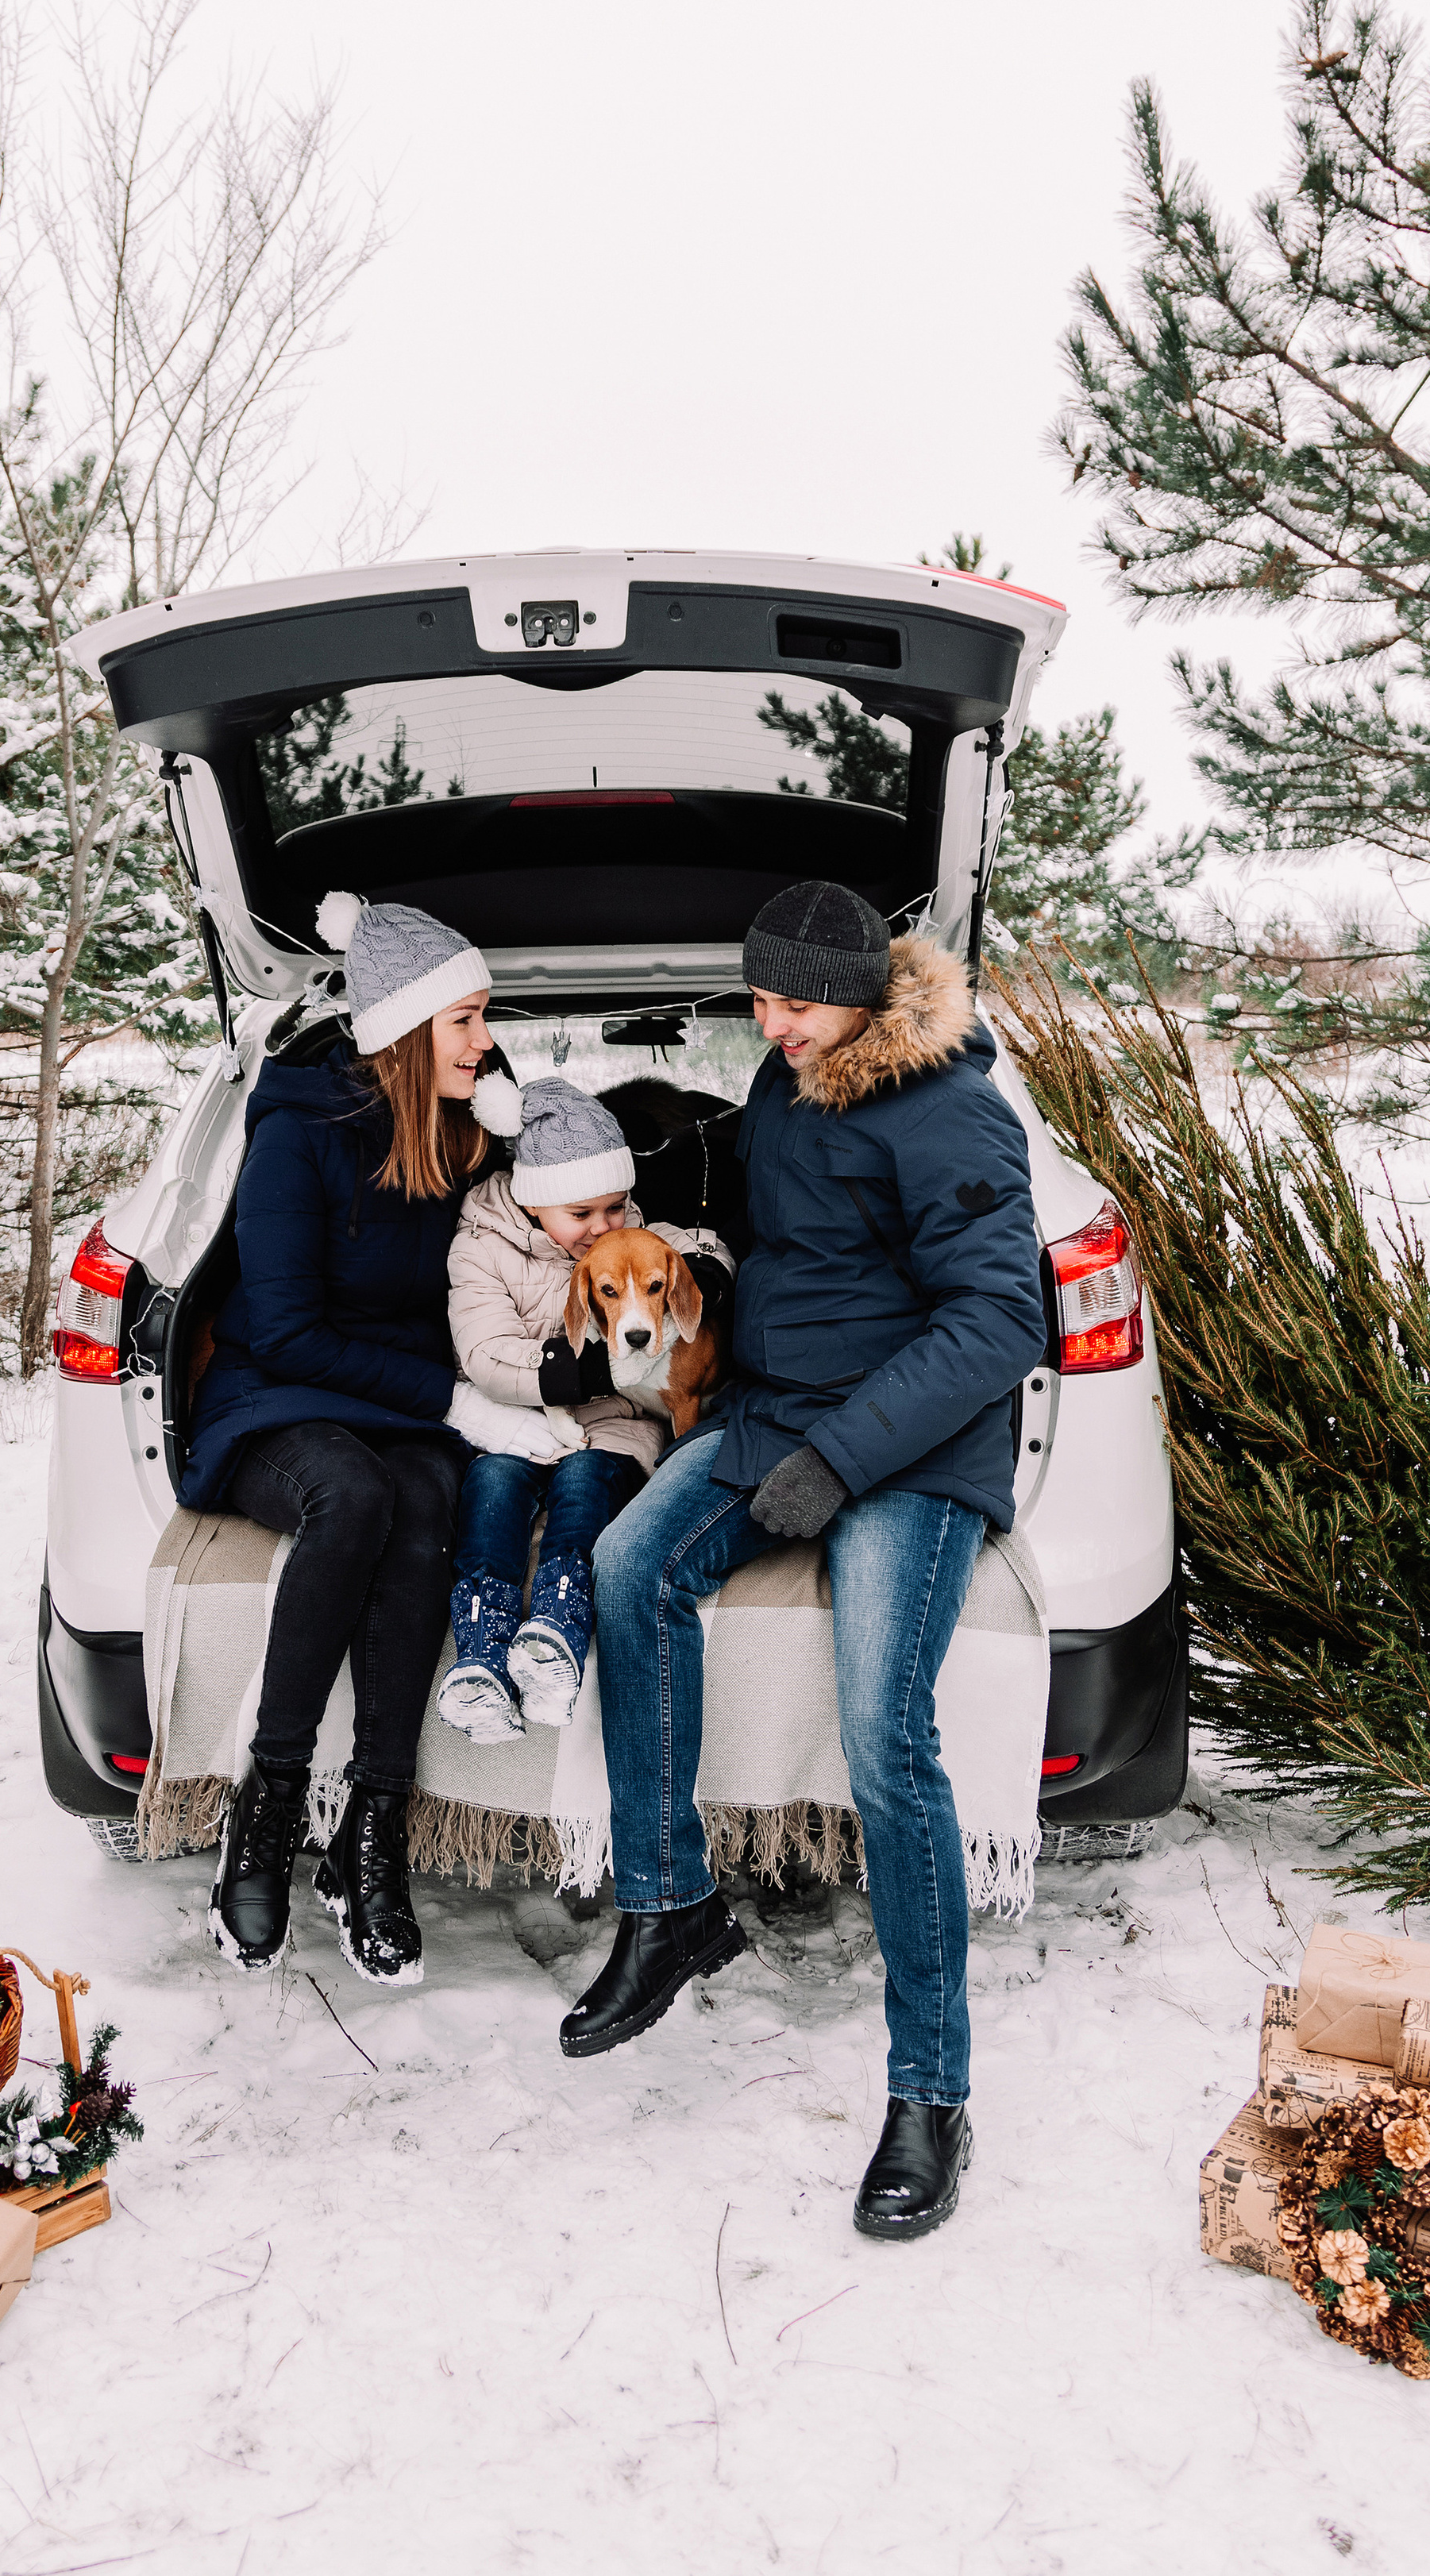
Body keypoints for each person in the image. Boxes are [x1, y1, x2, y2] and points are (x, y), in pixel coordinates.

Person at [565, 880, 1047, 2242]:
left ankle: (931, 2089)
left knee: (885, 1733)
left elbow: (1000, 1319)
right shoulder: (788, 1083)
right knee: (624, 1569)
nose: (765, 1020)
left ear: (860, 992)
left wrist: (840, 1461)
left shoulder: (952, 1108)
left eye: (789, 998)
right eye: (758, 996)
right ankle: (672, 1907)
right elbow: (784, 1235)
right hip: (774, 1414)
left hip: (910, 1445)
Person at [180, 889, 569, 1988]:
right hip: (278, 1393)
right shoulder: (295, 1138)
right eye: (467, 1019)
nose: (485, 1039)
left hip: (411, 1398)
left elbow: (554, 1231)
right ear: (404, 1029)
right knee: (351, 1496)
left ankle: (372, 1832)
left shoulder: (462, 1140)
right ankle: (265, 1809)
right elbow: (292, 1328)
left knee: (425, 1510)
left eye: (484, 1017)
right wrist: (462, 1408)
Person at [437, 1073, 734, 1739]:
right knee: (491, 1486)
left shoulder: (631, 1232)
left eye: (616, 1207)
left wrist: (708, 1273)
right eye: (582, 1215)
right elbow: (486, 1355)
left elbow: (700, 1244)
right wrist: (597, 1366)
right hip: (512, 1421)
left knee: (587, 1483)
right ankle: (482, 1650)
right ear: (534, 1200)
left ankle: (557, 1632)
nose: (603, 1228)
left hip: (613, 1426)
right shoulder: (482, 1246)